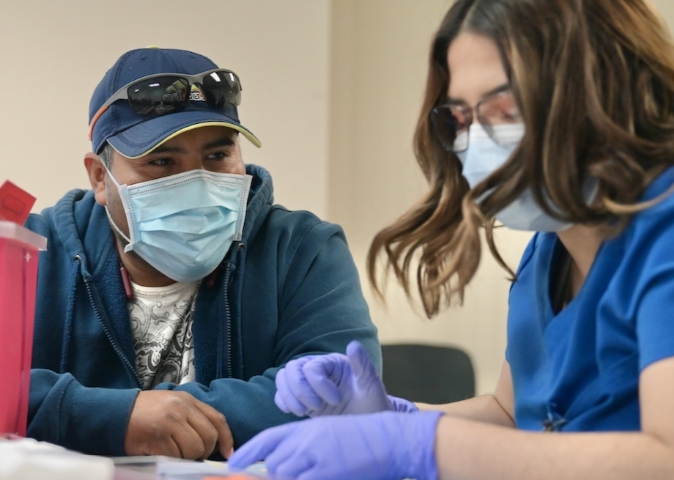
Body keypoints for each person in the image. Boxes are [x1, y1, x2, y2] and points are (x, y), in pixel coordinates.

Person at [228, 0, 674, 478]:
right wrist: (385, 419)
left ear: (601, 87)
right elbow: (513, 417)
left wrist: (423, 445)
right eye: (461, 118)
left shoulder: (661, 231)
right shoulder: (549, 251)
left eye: (504, 108)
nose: (476, 140)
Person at [24, 47, 380, 460]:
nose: (196, 182)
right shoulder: (31, 251)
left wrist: (166, 420)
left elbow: (346, 388)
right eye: (161, 161)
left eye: (217, 156)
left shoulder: (302, 250)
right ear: (101, 178)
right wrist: (116, 417)